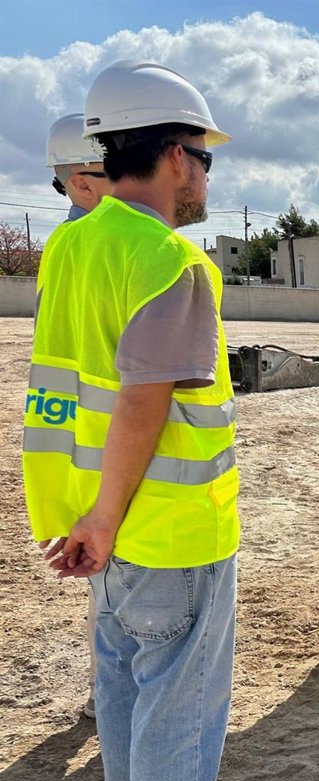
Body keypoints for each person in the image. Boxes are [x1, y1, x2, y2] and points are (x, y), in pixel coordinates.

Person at [22, 60, 276, 781]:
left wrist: (91, 519)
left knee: (124, 686)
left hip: (95, 521)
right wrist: (107, 516)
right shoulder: (172, 261)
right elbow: (143, 400)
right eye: (205, 158)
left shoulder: (71, 245)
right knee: (179, 703)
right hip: (166, 526)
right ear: (174, 155)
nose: (206, 176)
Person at [44, 112, 116, 720]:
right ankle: (107, 691)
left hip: (100, 442)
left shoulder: (78, 247)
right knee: (110, 585)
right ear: (80, 182)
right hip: (101, 444)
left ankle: (107, 689)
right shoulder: (78, 250)